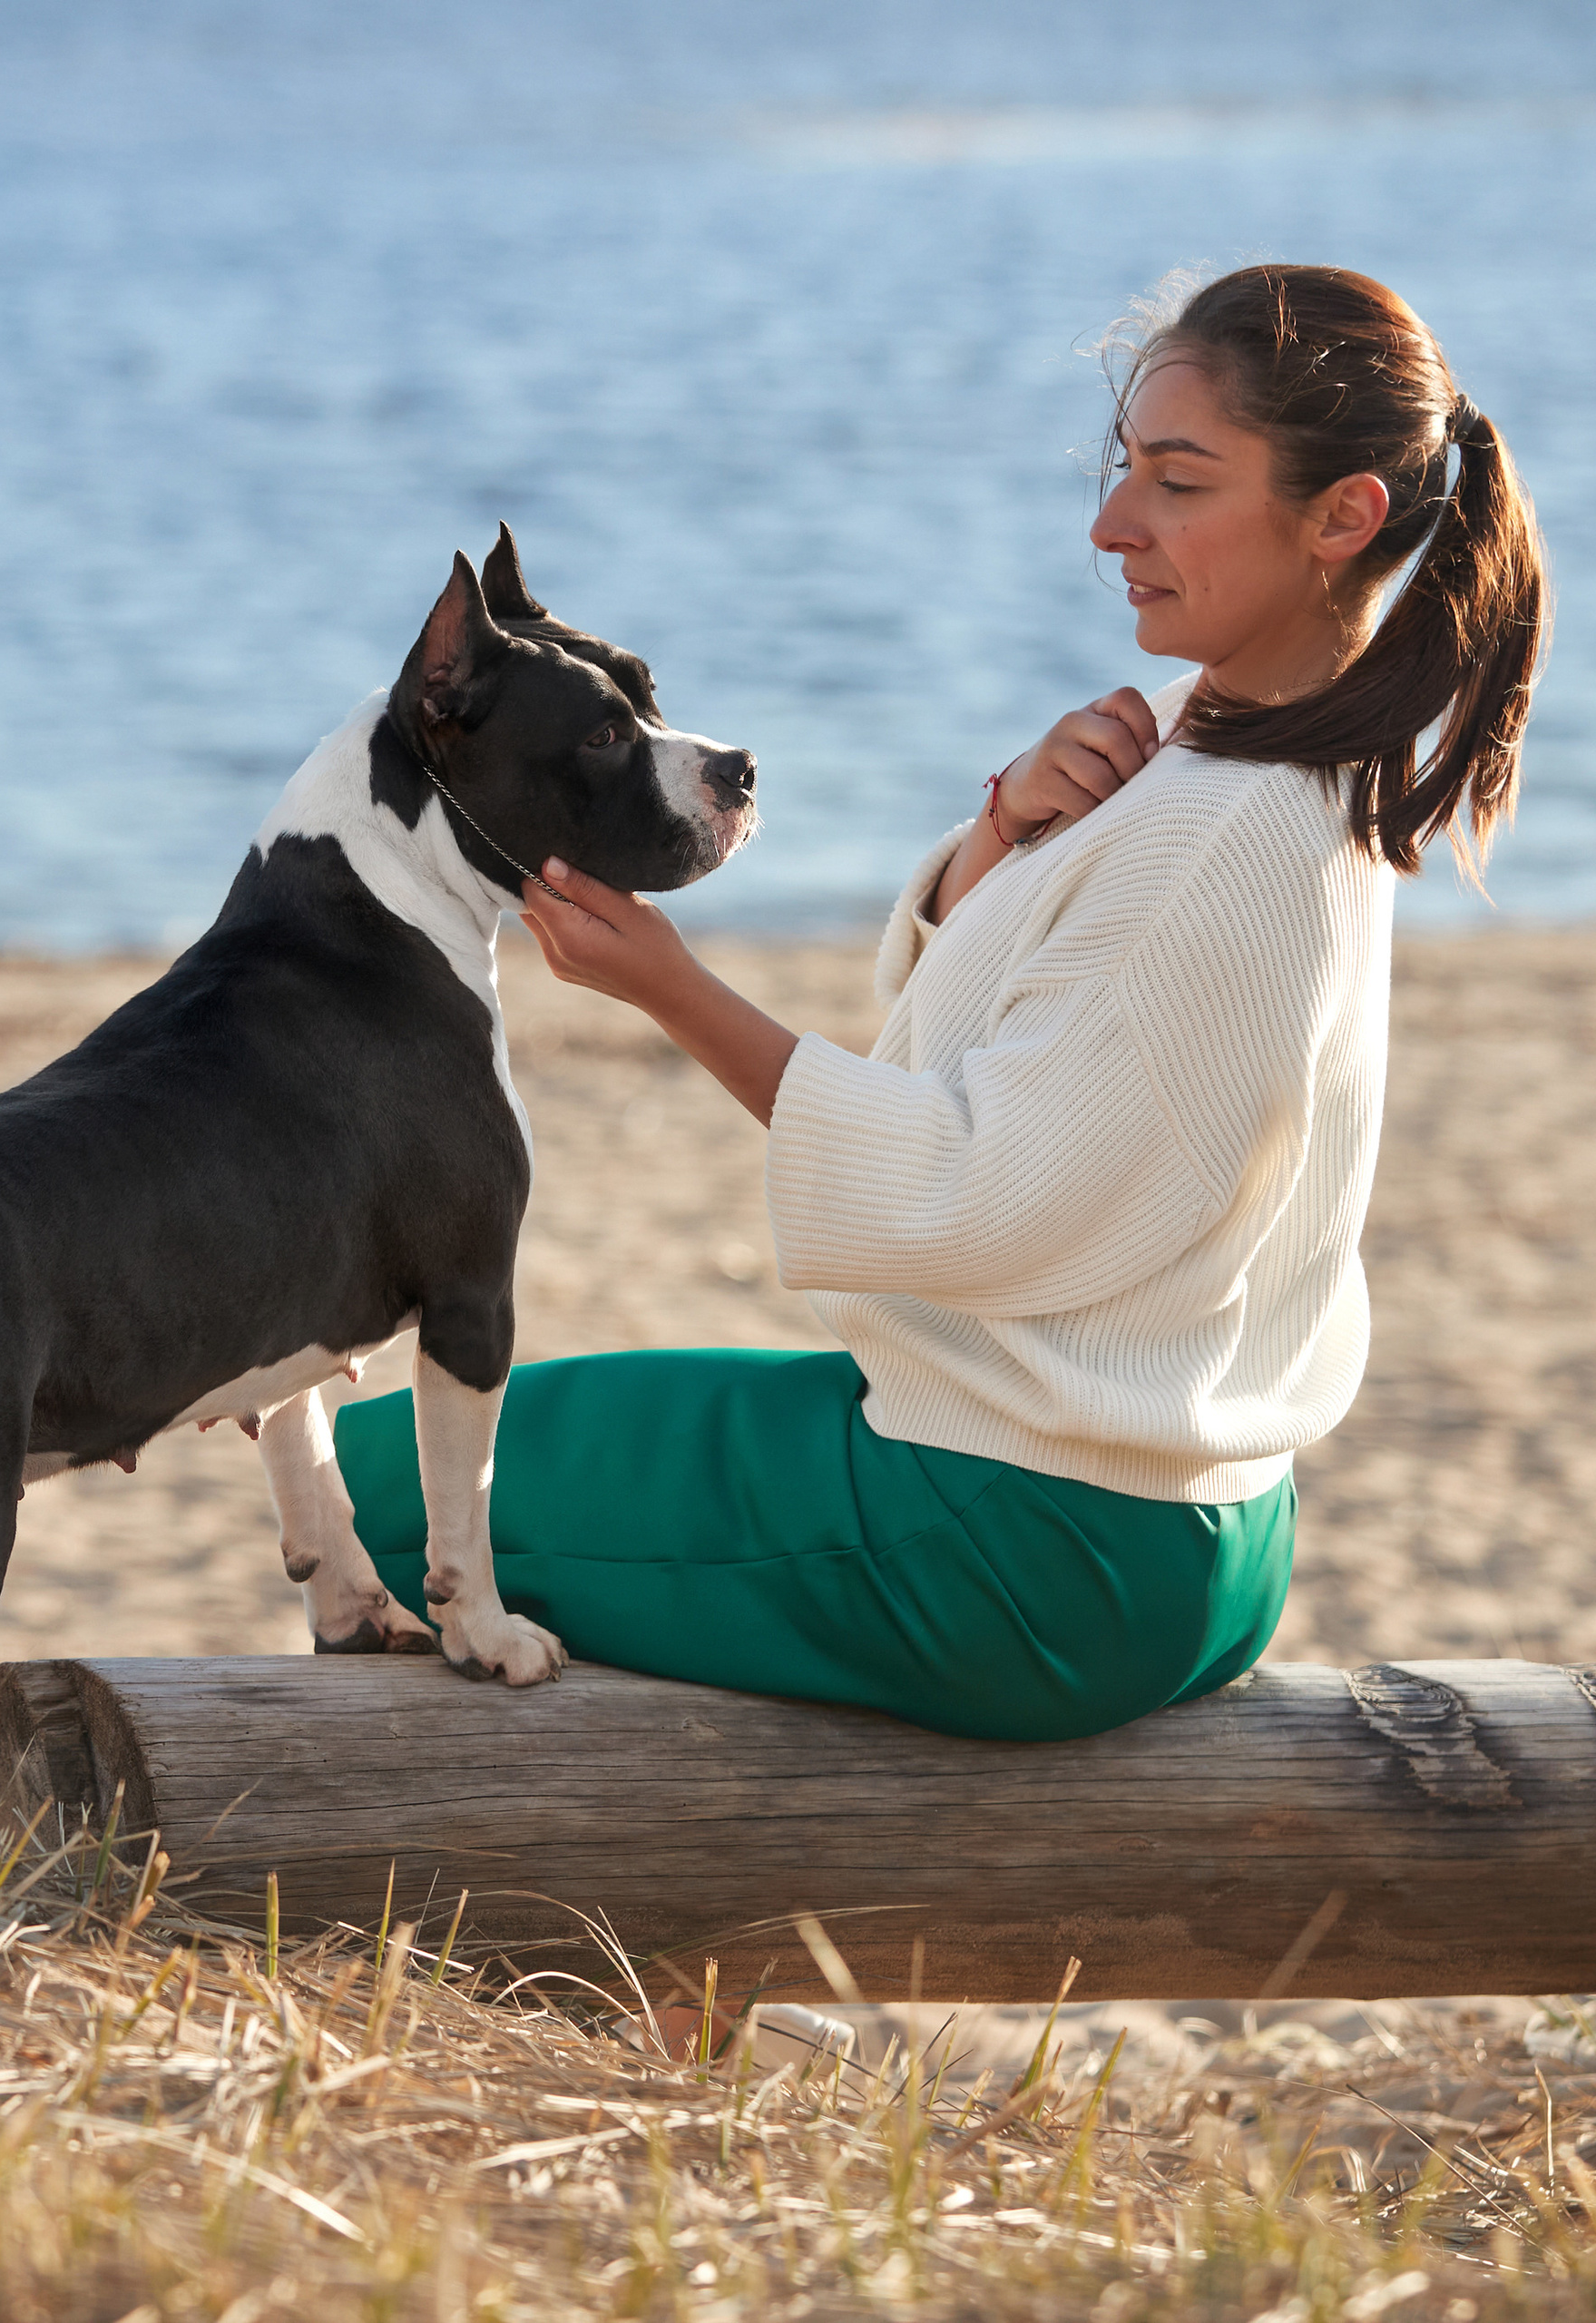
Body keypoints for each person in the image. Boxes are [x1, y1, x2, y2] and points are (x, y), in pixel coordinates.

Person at [331, 262, 1548, 1743]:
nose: (1113, 524)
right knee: (496, 1457)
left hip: (1033, 1546)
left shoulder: (1228, 830)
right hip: (1184, 1509)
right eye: (1124, 472)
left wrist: (671, 987)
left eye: (1177, 483)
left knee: (391, 1498)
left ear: (1343, 516)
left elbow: (978, 1191)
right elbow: (1024, 1052)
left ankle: (590, 1960)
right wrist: (1001, 840)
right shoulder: (1244, 748)